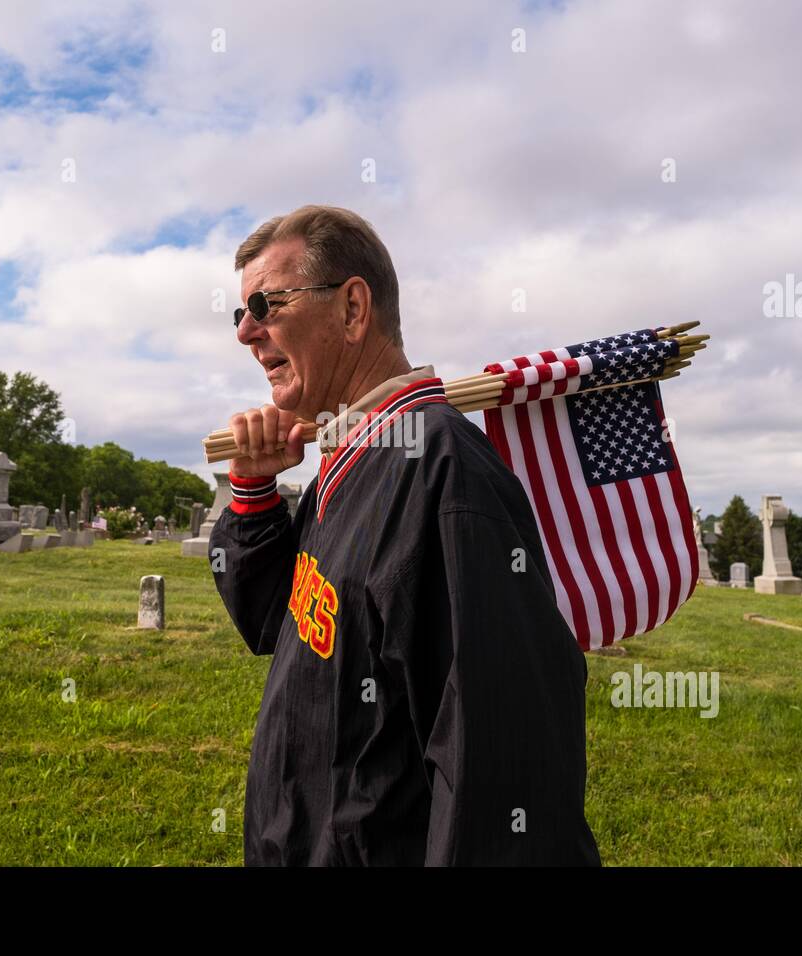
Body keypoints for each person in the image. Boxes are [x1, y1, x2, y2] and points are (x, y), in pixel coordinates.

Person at [210, 205, 601, 866]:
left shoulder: (441, 471)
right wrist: (252, 493)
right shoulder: (354, 456)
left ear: (352, 309)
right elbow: (279, 626)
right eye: (239, 314)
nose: (247, 331)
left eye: (266, 303)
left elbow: (499, 764)